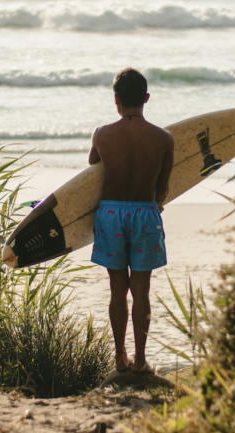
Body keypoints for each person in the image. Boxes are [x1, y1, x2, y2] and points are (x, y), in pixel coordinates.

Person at [88, 68, 174, 374]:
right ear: (146, 99)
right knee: (141, 289)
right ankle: (140, 359)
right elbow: (163, 187)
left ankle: (119, 357)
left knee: (117, 290)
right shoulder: (164, 138)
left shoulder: (101, 134)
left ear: (116, 100)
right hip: (145, 213)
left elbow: (92, 169)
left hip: (110, 214)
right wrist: (155, 207)